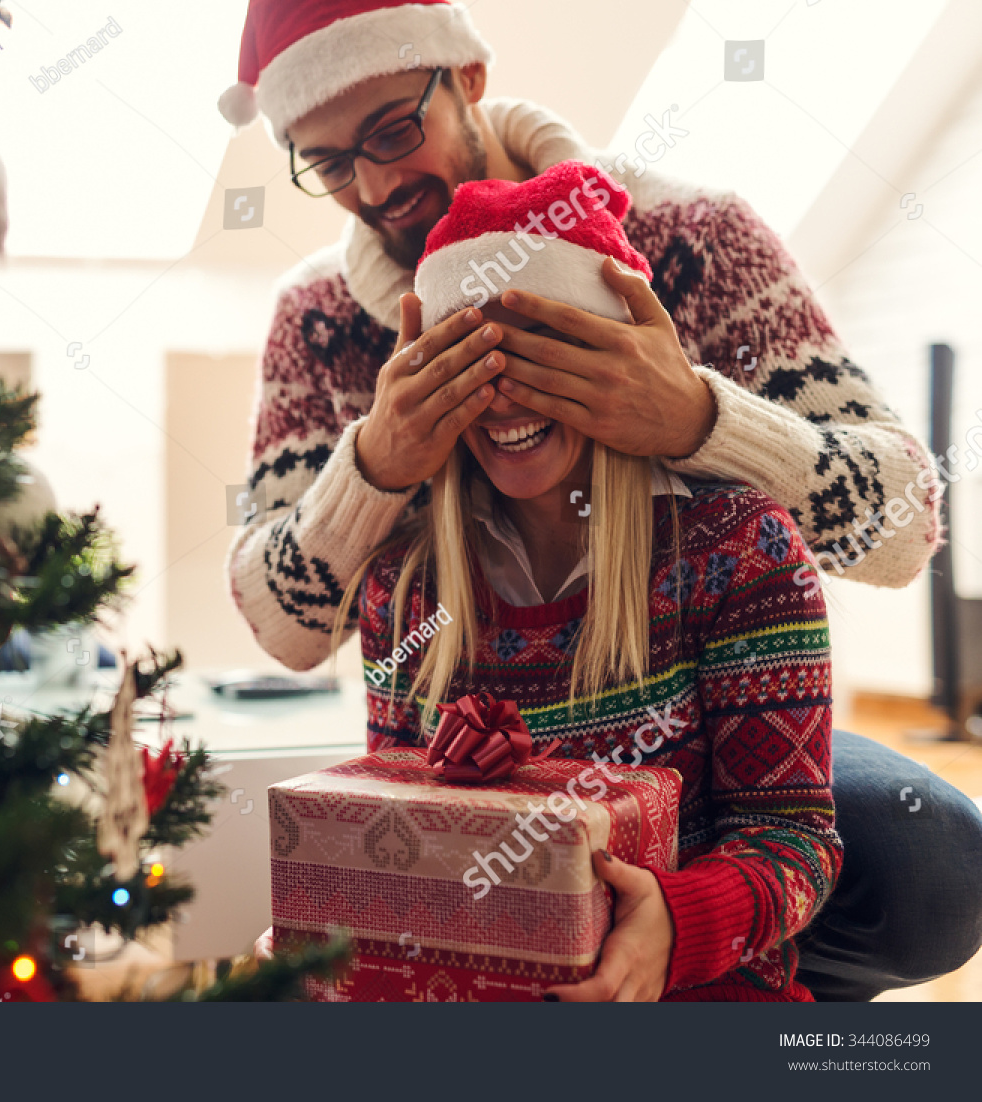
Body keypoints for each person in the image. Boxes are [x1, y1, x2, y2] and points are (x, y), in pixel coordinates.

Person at [223, 0, 982, 999]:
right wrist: (376, 464)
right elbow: (283, 629)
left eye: (394, 131)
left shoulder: (695, 238)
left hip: (699, 713)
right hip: (482, 722)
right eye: (324, 163)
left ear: (471, 79)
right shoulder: (316, 322)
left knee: (923, 858)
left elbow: (904, 522)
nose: (370, 187)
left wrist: (701, 422)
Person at [350, 161, 839, 1001]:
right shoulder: (404, 588)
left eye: (544, 355)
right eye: (470, 360)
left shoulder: (739, 550)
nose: (504, 400)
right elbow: (404, 835)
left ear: (612, 360)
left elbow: (793, 841)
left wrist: (676, 926)